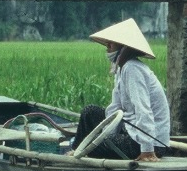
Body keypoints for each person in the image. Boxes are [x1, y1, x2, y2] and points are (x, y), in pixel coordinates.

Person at [70, 18, 171, 161]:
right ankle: (76, 150)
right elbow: (114, 109)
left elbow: (143, 110)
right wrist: (108, 135)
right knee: (89, 112)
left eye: (111, 44)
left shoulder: (133, 69)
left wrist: (147, 150)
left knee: (92, 147)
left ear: (124, 47)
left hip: (149, 143)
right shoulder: (121, 69)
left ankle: (80, 151)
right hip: (130, 131)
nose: (107, 47)